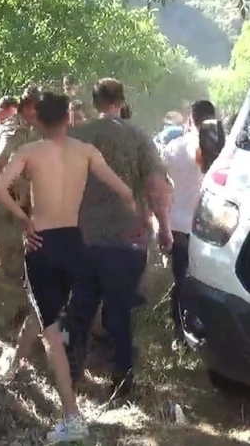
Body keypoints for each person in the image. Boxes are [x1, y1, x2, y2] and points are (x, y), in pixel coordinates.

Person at [0, 91, 135, 444]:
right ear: (69, 118)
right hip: (76, 243)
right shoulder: (86, 152)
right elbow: (123, 191)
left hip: (42, 243)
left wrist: (24, 220)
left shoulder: (28, 152)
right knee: (47, 313)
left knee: (51, 331)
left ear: (38, 119)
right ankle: (17, 363)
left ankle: (72, 416)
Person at [66, 78, 172, 397]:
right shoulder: (138, 137)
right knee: (120, 312)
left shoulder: (77, 137)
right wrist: (165, 228)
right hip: (126, 240)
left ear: (95, 102)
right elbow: (155, 186)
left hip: (83, 237)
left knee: (81, 309)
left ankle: (71, 373)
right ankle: (122, 380)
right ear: (121, 101)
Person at [0, 86, 41, 325]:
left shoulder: (11, 126)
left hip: (8, 206)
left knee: (16, 265)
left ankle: (3, 316)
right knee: (15, 268)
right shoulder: (14, 132)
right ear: (28, 108)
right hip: (4, 208)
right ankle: (3, 322)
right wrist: (17, 187)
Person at [162, 100, 216, 349]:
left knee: (181, 277)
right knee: (206, 279)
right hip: (207, 226)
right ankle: (204, 329)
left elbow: (162, 184)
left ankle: (179, 333)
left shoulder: (172, 146)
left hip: (177, 222)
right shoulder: (216, 145)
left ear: (190, 119)